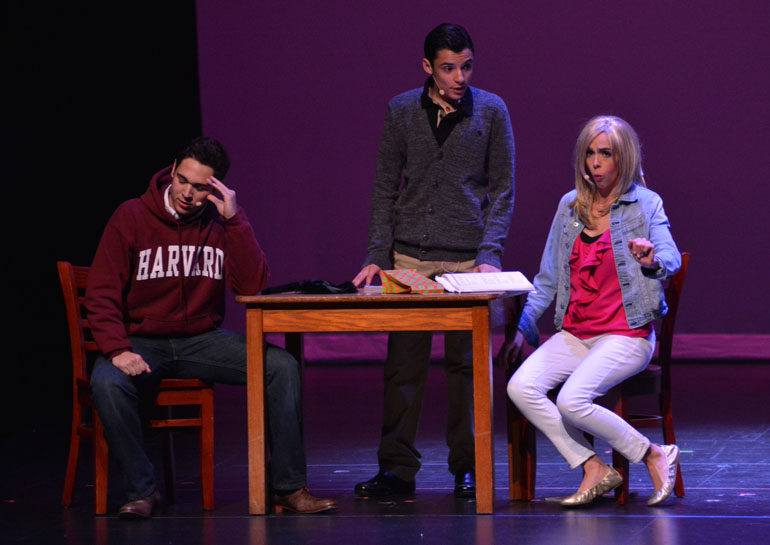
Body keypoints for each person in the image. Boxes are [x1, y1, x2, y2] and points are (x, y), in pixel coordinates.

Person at [85, 137, 336, 517]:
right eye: (183, 180)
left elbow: (251, 286)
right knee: (106, 381)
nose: (187, 193)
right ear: (172, 171)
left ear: (216, 188)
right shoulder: (131, 216)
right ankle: (142, 491)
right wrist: (118, 349)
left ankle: (287, 487)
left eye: (200, 187)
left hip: (201, 341)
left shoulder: (220, 225)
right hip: (141, 341)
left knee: (280, 367)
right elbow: (101, 292)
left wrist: (235, 220)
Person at [352, 23, 515, 499]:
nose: (459, 76)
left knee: (467, 370)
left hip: (466, 264)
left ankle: (468, 466)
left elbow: (503, 191)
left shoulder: (491, 110)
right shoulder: (402, 110)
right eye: (448, 68)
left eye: (466, 66)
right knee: (404, 366)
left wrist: (490, 255)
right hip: (408, 261)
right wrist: (375, 257)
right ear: (428, 67)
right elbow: (385, 187)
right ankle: (397, 469)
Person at [504, 115, 681, 507]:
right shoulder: (570, 206)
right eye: (590, 153)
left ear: (624, 158)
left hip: (626, 334)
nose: (595, 163)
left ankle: (654, 452)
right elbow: (548, 277)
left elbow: (670, 258)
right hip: (577, 334)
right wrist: (522, 326)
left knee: (571, 400)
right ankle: (592, 466)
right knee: (520, 386)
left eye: (605, 154)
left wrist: (651, 260)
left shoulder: (645, 204)